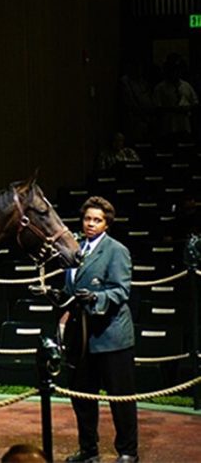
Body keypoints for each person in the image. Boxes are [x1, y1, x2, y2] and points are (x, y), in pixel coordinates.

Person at [63, 196, 138, 463]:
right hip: (81, 337)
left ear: (106, 224)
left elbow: (121, 290)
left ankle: (128, 452)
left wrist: (97, 298)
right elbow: (70, 289)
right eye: (87, 219)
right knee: (82, 398)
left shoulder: (117, 250)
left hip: (111, 335)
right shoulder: (75, 249)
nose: (91, 224)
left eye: (97, 220)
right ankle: (88, 450)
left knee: (121, 399)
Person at [153, 53, 198, 138]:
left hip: (184, 126)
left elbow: (195, 102)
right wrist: (173, 109)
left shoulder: (186, 86)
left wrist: (188, 108)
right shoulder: (160, 88)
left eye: (178, 70)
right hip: (168, 127)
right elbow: (157, 107)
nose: (176, 72)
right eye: (173, 70)